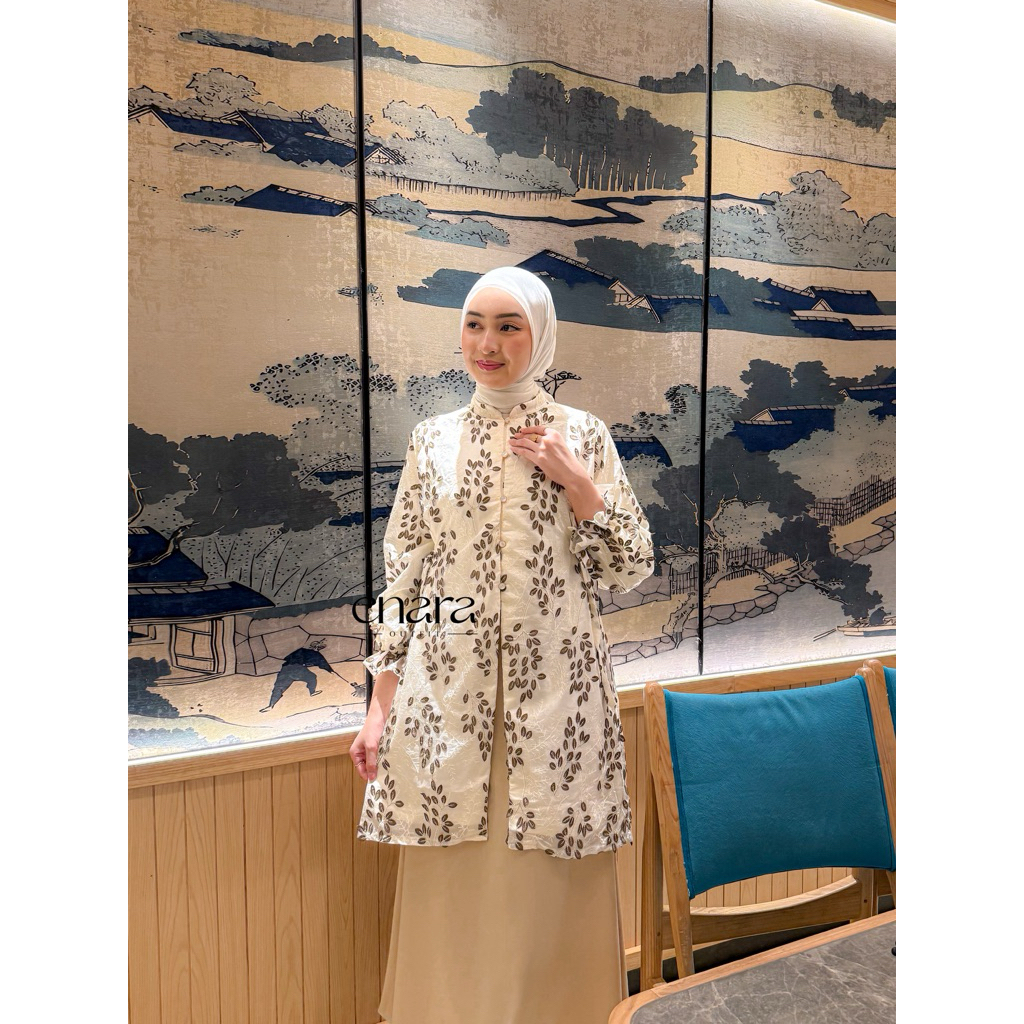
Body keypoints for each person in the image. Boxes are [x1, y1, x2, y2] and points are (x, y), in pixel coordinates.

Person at [350, 266, 655, 1024]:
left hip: (558, 705)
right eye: (474, 324)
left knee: (548, 888)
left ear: (539, 335)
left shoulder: (583, 435)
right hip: (447, 705)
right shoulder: (432, 440)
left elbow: (631, 567)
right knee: (455, 890)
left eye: (509, 326)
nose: (487, 343)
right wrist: (380, 707)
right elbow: (405, 576)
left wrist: (578, 483)